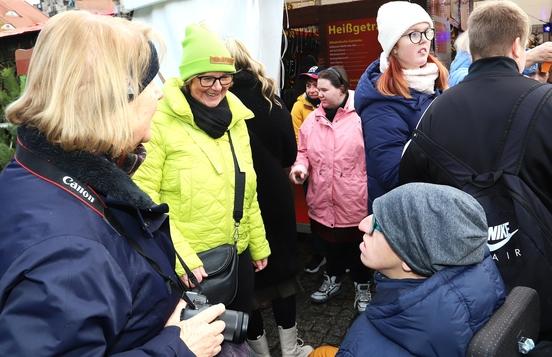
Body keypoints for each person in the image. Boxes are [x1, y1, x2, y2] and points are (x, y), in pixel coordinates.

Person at [0, 11, 225, 356]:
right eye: (151, 81)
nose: (162, 93)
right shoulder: (70, 254)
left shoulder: (36, 173)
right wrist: (178, 348)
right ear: (110, 101)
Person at [400, 0, 552, 339]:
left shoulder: (433, 114)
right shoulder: (547, 103)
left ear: (475, 48)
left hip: (466, 292)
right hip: (541, 293)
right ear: (517, 46)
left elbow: (411, 199)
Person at [132, 24, 270, 316]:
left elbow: (248, 187)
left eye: (225, 78)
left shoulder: (237, 120)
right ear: (188, 78)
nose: (217, 87)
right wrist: (180, 256)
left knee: (239, 331)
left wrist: (258, 244)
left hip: (237, 253)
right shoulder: (160, 122)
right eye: (207, 78)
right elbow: (143, 199)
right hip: (192, 265)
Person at [337, 183, 505, 357]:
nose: (363, 225)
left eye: (379, 225)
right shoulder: (483, 284)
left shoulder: (360, 348)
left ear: (409, 260)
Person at [226, 39, 313, 357]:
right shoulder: (267, 96)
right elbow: (290, 151)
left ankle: (260, 353)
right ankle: (290, 349)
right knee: (282, 272)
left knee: (244, 280)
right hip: (273, 195)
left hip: (232, 197)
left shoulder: (212, 102)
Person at [289, 66, 372, 312]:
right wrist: (300, 167)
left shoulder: (362, 116)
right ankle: (333, 277)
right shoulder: (312, 120)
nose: (317, 93)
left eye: (324, 89)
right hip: (322, 197)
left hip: (354, 198)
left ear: (342, 89)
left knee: (359, 246)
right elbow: (302, 151)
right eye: (316, 88)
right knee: (330, 244)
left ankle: (362, 284)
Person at [354, 1, 448, 213]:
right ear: (394, 46)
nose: (424, 40)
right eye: (414, 34)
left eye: (427, 32)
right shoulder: (380, 104)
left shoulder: (431, 83)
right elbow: (392, 175)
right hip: (404, 219)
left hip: (430, 209)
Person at [290, 65, 328, 275]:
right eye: (308, 85)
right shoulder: (299, 108)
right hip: (311, 171)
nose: (312, 89)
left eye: (316, 84)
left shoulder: (334, 103)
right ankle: (318, 253)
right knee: (315, 212)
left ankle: (343, 256)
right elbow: (298, 140)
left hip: (334, 169)